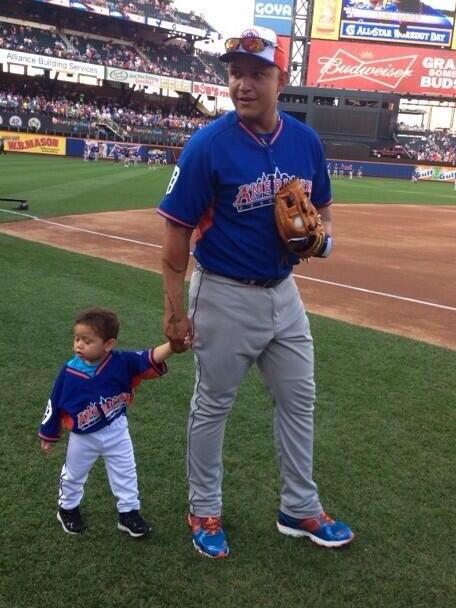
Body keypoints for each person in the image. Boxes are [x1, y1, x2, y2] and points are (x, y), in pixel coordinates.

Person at [158, 25, 354, 559]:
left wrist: (321, 242)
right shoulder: (208, 146)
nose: (243, 84)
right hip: (222, 293)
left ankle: (299, 506)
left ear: (280, 79)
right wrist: (174, 312)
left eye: (257, 73)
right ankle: (203, 507)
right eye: (235, 73)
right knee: (212, 405)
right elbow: (176, 233)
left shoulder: (305, 141)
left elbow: (326, 215)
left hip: (284, 295)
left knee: (299, 399)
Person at [38, 306, 174, 538]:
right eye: (77, 338)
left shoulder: (121, 361)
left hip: (117, 429)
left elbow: (149, 356)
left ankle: (128, 513)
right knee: (73, 474)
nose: (79, 344)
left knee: (126, 471)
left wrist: (173, 346)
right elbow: (55, 401)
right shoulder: (69, 371)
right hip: (83, 436)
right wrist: (49, 433)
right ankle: (67, 508)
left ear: (108, 344)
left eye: (87, 340)